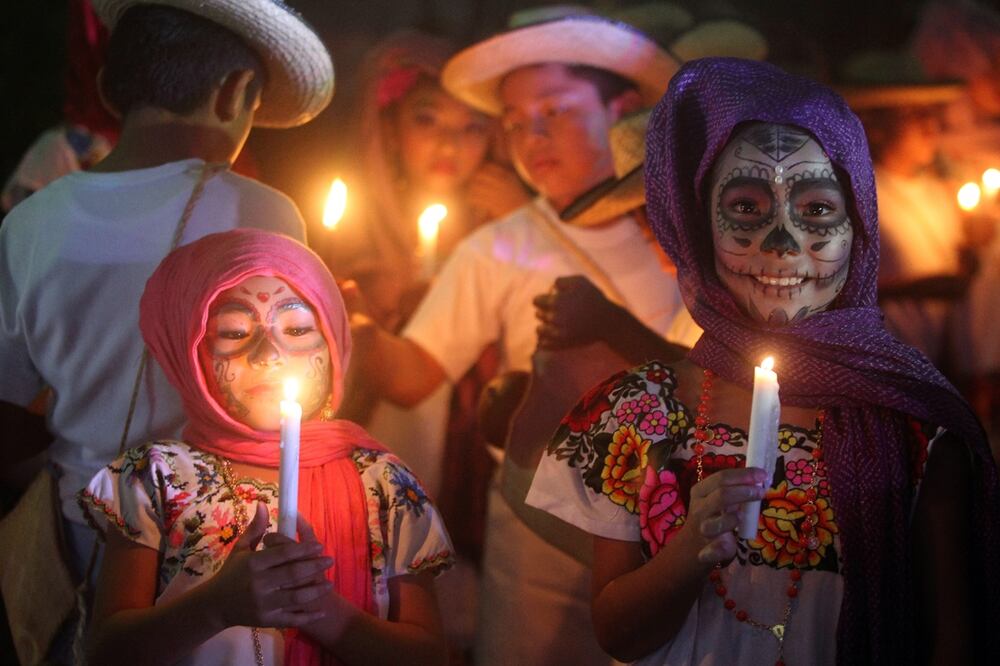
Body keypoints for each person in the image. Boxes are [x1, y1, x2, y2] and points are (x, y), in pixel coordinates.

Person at [527, 57, 1000, 665]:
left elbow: (952, 643)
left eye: (818, 210)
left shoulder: (914, 425)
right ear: (697, 227)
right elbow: (618, 633)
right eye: (747, 208)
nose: (783, 243)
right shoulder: (642, 411)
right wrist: (687, 551)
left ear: (860, 227)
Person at [351, 13, 698, 665]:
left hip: (662, 529)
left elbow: (715, 381)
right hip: (537, 533)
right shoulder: (500, 245)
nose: (529, 135)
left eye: (554, 111)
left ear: (623, 110)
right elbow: (417, 372)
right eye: (512, 121)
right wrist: (359, 330)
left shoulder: (678, 236)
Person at [0, 0, 332, 585]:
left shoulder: (30, 221)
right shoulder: (260, 212)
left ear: (110, 85)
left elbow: (10, 400)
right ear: (234, 94)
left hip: (72, 529)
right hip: (208, 536)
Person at [79, 228, 452, 665]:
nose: (268, 354)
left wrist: (324, 612)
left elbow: (429, 657)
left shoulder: (386, 485)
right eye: (235, 333)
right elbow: (106, 652)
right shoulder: (155, 477)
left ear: (333, 342)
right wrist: (215, 605)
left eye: (296, 328)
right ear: (191, 352)